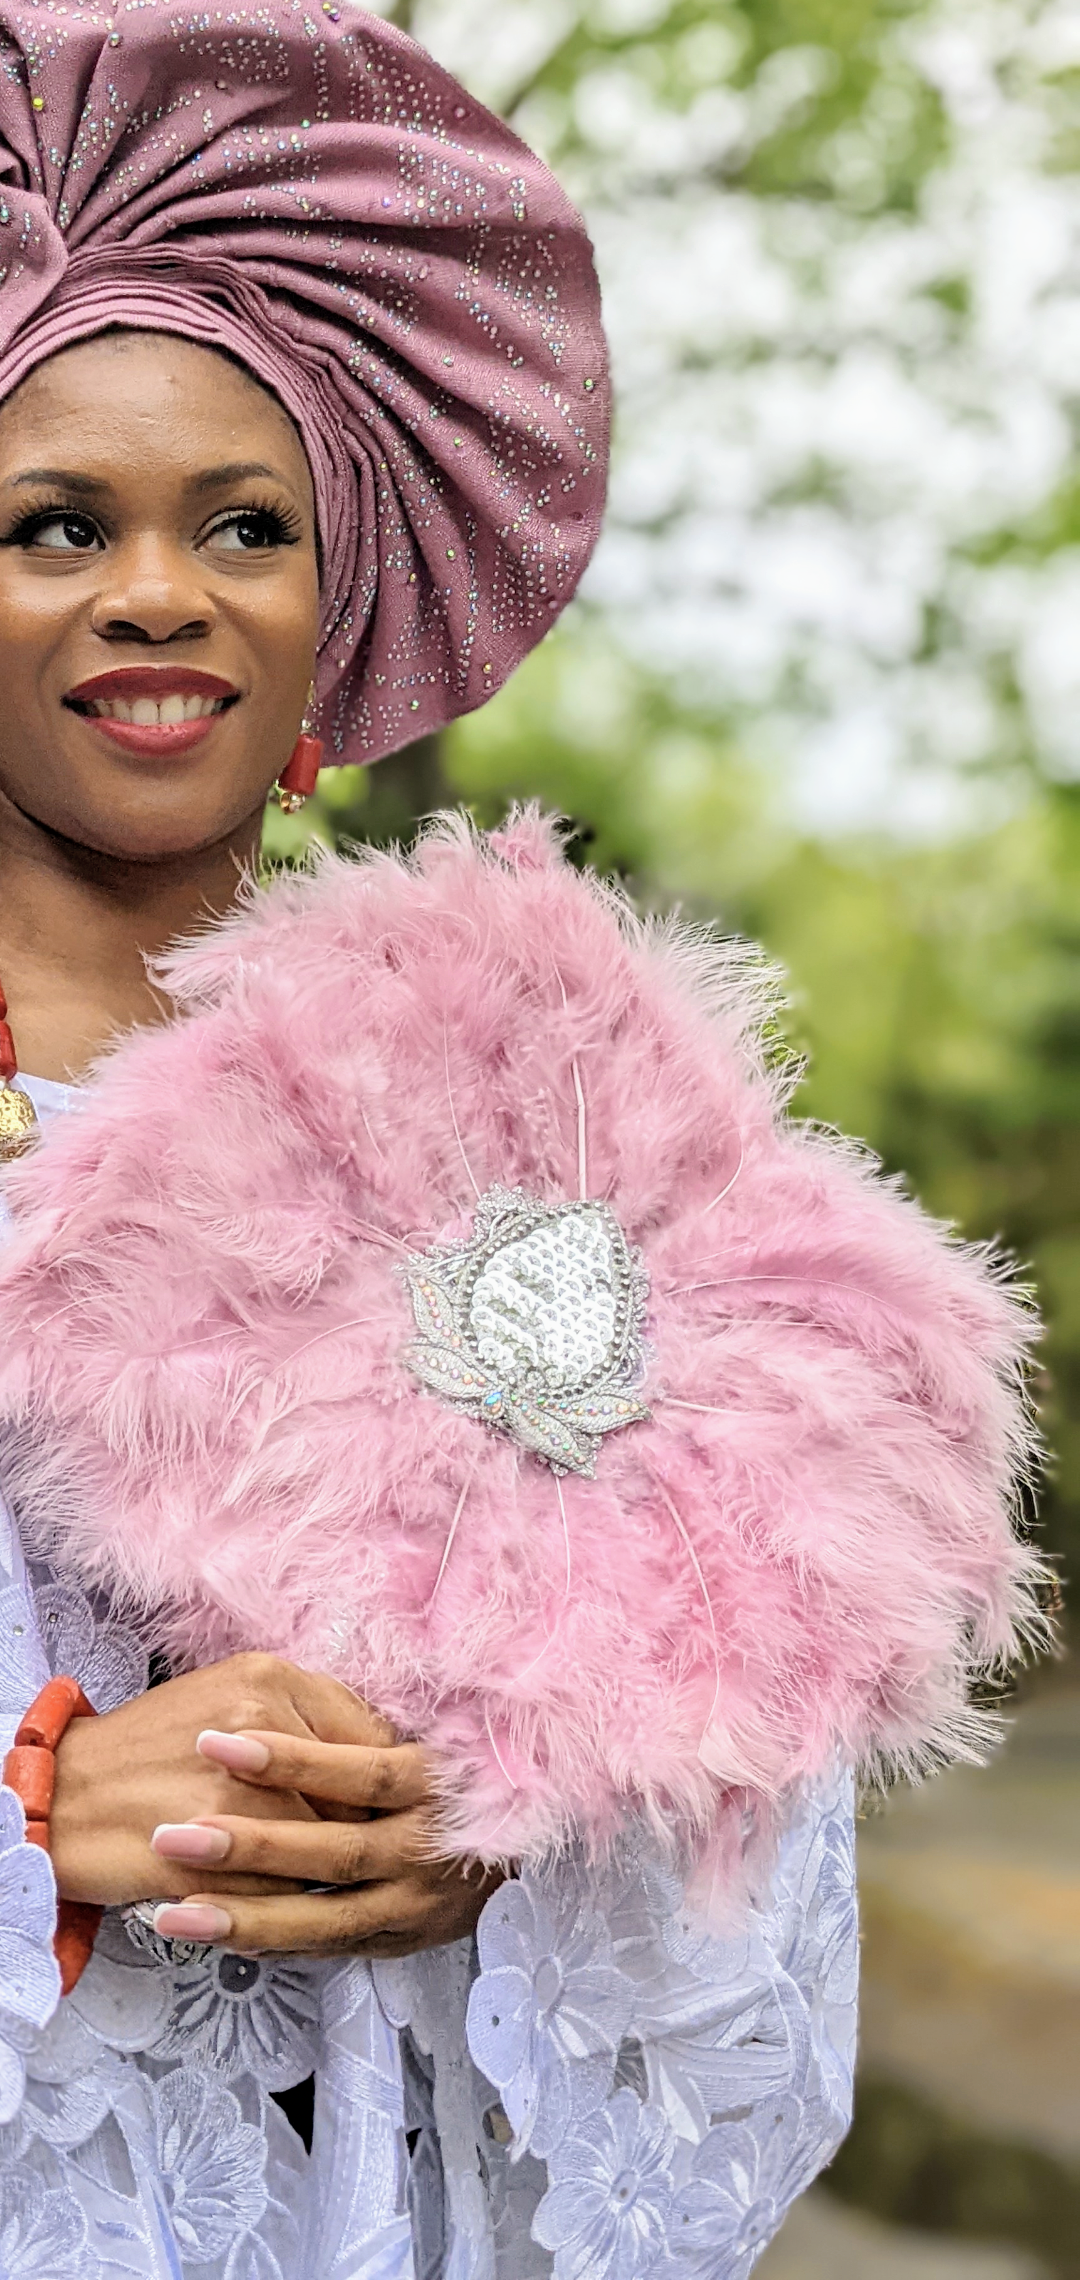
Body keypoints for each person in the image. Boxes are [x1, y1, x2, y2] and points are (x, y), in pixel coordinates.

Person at [0, 5, 1039, 2277]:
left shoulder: (521, 1097)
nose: (161, 591)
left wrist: (519, 1807)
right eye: (57, 523)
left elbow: (741, 1721)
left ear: (335, 612)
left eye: (246, 525)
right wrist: (32, 1816)